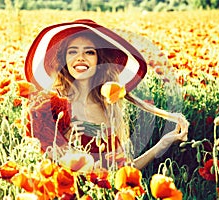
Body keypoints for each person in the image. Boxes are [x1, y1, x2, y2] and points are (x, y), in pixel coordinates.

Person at [24, 19, 189, 170]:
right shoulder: (51, 107)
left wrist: (162, 144)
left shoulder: (108, 108)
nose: (80, 58)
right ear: (64, 60)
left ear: (99, 60)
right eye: (72, 52)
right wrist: (63, 144)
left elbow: (122, 172)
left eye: (89, 52)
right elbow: (40, 166)